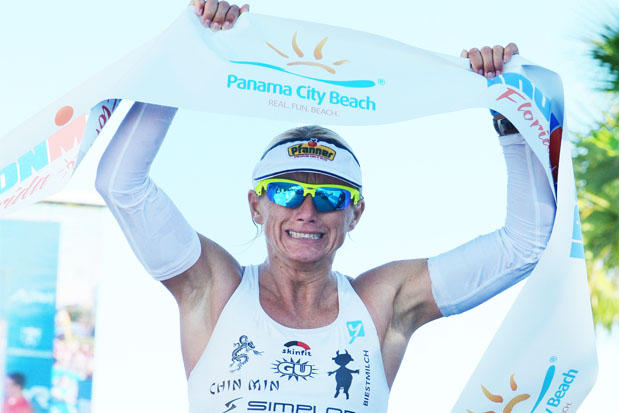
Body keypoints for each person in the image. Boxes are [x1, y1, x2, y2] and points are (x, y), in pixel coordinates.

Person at [95, 1, 556, 411]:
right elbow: (119, 185)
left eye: (332, 197)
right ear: (256, 206)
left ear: (356, 214)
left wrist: (510, 117)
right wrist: (185, 60)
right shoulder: (214, 290)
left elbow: (526, 246)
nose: (308, 210)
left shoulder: (381, 304)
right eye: (286, 192)